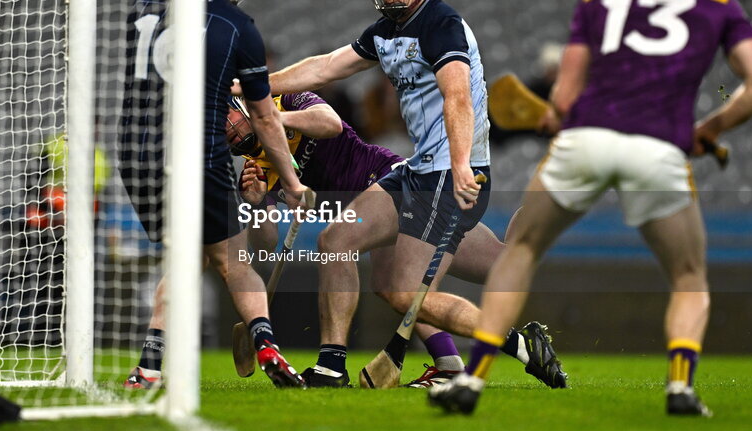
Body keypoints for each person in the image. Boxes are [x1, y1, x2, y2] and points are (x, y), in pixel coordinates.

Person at [429, 0, 752, 417]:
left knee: (521, 248)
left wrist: (553, 114)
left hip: (585, 142)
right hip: (659, 150)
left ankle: (472, 380)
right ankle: (681, 387)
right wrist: (708, 126)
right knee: (688, 276)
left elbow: (566, 97)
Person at [251, 0, 567, 389]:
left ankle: (518, 344)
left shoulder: (441, 23)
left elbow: (457, 98)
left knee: (402, 292)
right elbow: (324, 67)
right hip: (419, 170)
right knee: (337, 239)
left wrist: (460, 166)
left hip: (448, 174)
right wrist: (259, 86)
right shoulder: (385, 31)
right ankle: (331, 365)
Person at [234, 90, 563, 389]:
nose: (229, 130)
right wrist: (256, 202)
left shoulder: (287, 101)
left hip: (387, 183)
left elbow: (329, 123)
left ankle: (332, 365)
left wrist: (273, 120)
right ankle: (474, 356)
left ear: (241, 106)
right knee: (489, 267)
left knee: (342, 249)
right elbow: (267, 241)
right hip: (368, 218)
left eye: (228, 118)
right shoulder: (254, 172)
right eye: (220, 131)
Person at [119, 0, 308, 389]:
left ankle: (148, 367)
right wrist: (292, 182)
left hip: (135, 156)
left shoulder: (145, 5)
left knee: (189, 257)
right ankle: (267, 346)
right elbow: (264, 119)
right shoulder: (236, 23)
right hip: (195, 158)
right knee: (232, 259)